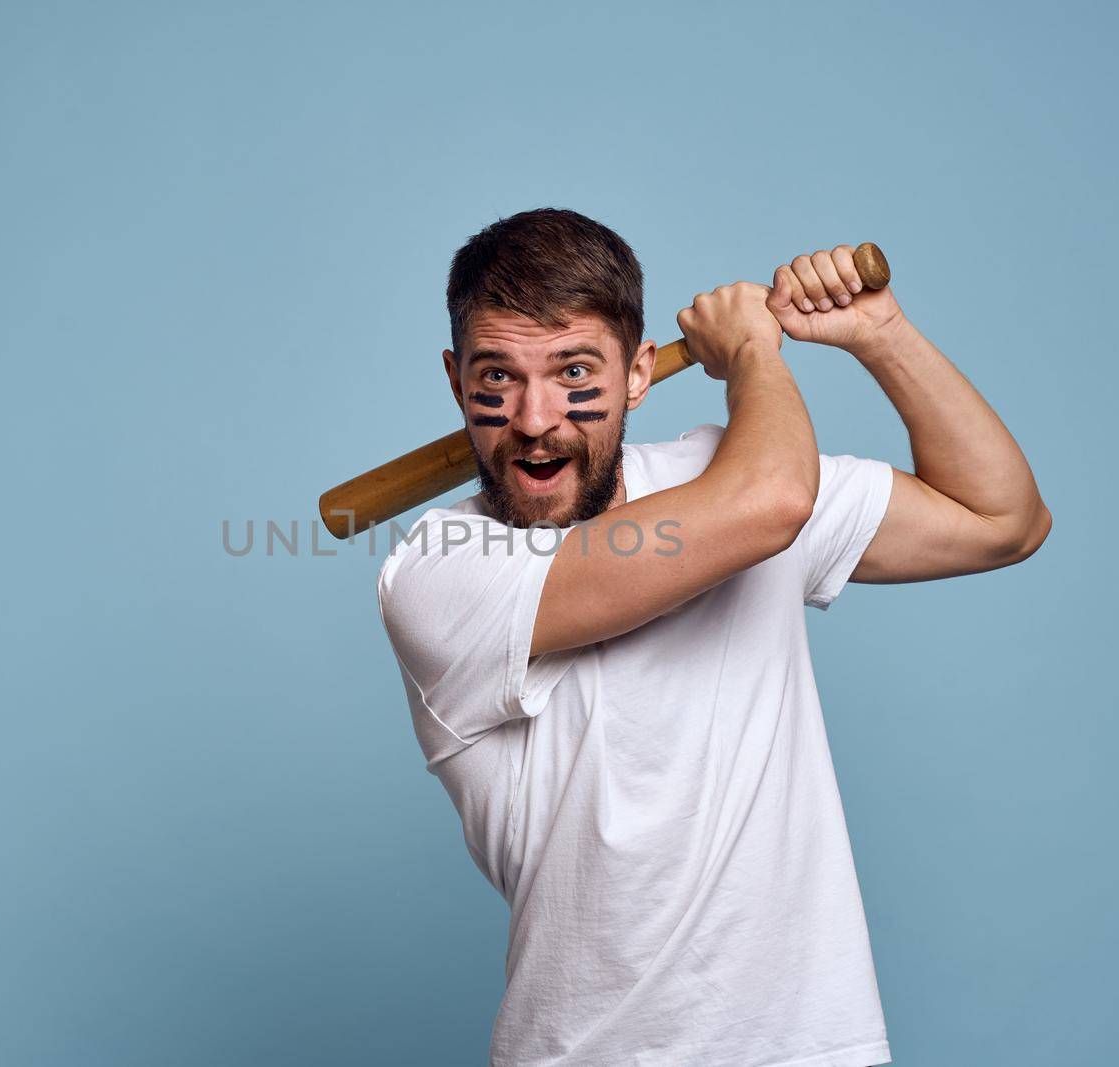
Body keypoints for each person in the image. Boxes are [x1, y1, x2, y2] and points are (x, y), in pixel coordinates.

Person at [374, 207, 1051, 1066]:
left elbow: (1004, 519)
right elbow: (768, 506)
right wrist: (754, 356)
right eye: (497, 377)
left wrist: (882, 334)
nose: (536, 418)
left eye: (575, 371)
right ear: (455, 379)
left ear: (639, 373)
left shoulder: (721, 472)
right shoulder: (439, 570)